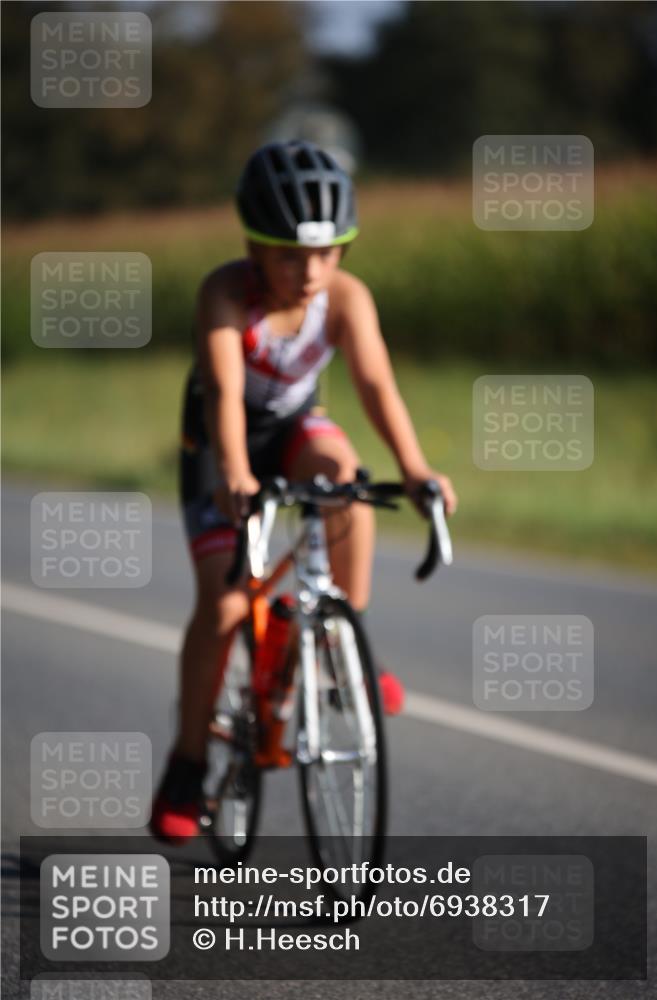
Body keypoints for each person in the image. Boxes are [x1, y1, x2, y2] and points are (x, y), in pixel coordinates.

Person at [150, 139, 457, 844]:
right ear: (254, 247)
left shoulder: (345, 298)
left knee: (341, 469)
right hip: (219, 444)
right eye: (289, 254)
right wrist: (234, 473)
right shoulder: (224, 293)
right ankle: (188, 763)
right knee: (227, 602)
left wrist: (414, 468)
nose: (310, 271)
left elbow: (376, 385)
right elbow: (226, 392)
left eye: (327, 253)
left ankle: (348, 642)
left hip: (293, 429)